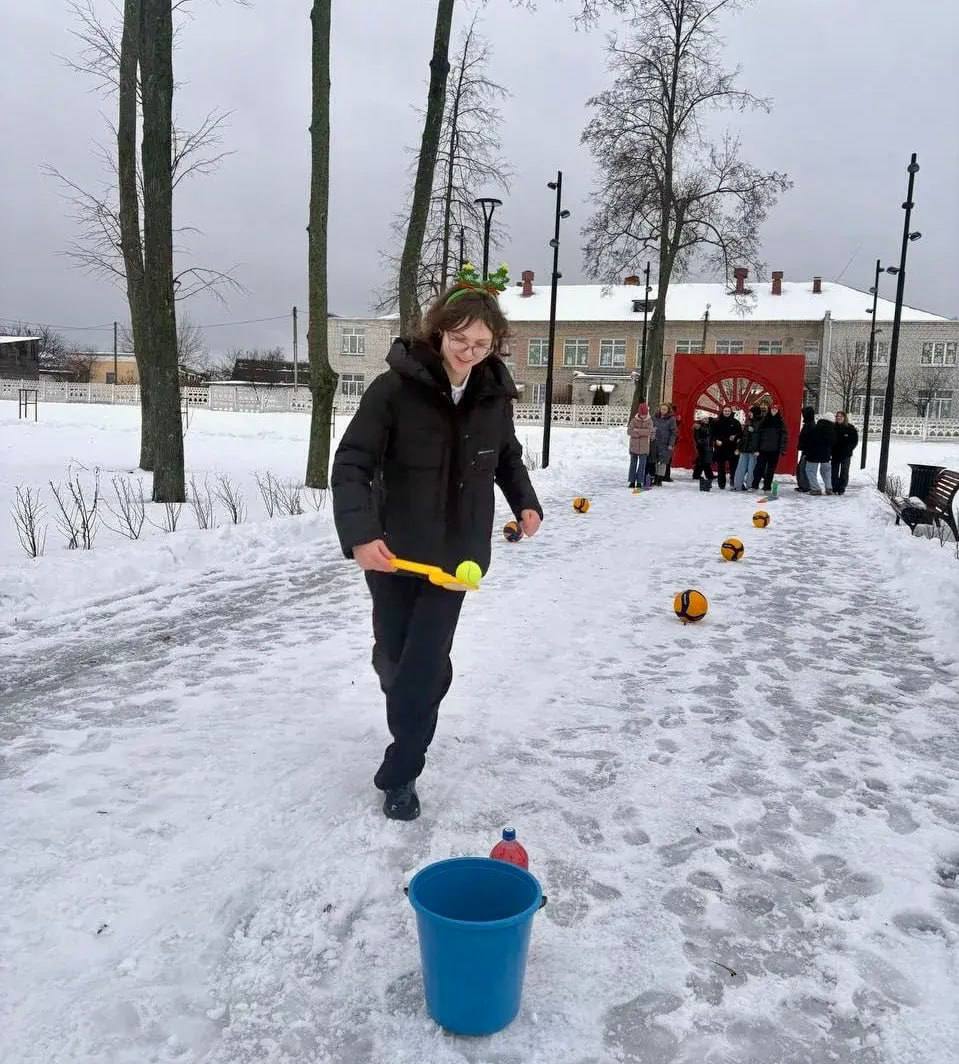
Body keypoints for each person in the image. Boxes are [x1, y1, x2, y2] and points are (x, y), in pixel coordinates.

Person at [331, 275, 543, 821]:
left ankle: (401, 772)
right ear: (438, 332)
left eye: (482, 345)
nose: (469, 354)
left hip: (456, 558)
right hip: (394, 552)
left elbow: (507, 457)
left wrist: (526, 503)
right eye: (460, 341)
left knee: (421, 667)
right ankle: (410, 683)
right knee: (399, 661)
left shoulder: (493, 395)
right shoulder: (394, 389)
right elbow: (352, 462)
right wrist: (360, 535)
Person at [752, 403, 788, 492]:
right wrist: (756, 449)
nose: (774, 410)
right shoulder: (764, 420)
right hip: (762, 449)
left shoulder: (780, 422)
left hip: (774, 450)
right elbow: (757, 435)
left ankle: (767, 486)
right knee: (759, 468)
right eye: (772, 409)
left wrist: (783, 449)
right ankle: (754, 485)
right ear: (770, 409)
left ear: (778, 410)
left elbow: (784, 437)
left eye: (776, 409)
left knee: (771, 470)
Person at [802, 411, 836, 495]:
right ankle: (829, 488)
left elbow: (809, 440)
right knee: (826, 471)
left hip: (813, 454)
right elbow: (833, 442)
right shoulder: (832, 430)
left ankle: (816, 488)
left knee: (810, 470)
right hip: (826, 454)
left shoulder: (816, 427)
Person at [710, 404, 743, 490]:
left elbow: (740, 434)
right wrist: (716, 440)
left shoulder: (736, 422)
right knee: (721, 467)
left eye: (728, 411)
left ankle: (733, 482)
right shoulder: (716, 422)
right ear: (722, 411)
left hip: (732, 447)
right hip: (720, 447)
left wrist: (735, 437)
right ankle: (721, 484)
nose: (727, 412)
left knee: (733, 467)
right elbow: (712, 434)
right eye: (725, 411)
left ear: (731, 412)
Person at [733, 405, 762, 491]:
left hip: (753, 450)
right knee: (740, 468)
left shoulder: (761, 423)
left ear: (755, 413)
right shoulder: (748, 422)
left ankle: (750, 486)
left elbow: (761, 437)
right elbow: (743, 436)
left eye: (751, 412)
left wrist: (754, 431)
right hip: (744, 449)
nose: (749, 413)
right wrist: (738, 447)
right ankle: (737, 486)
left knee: (751, 469)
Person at [831, 411, 859, 496]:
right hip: (835, 454)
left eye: (841, 416)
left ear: (844, 418)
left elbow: (854, 441)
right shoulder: (833, 427)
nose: (839, 418)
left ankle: (841, 488)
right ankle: (835, 487)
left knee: (844, 471)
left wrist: (849, 449)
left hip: (846, 454)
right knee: (834, 472)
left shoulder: (850, 428)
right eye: (837, 416)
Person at [627, 402, 654, 488]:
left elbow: (649, 431)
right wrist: (642, 432)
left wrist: (637, 430)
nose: (643, 416)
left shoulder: (649, 421)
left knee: (642, 465)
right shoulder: (633, 420)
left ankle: (639, 481)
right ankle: (631, 481)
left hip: (644, 447)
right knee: (633, 464)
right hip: (634, 446)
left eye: (645, 414)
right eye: (642, 414)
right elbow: (629, 431)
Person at [651, 403, 677, 485]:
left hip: (665, 443)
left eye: (665, 409)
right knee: (654, 461)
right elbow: (650, 428)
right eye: (662, 409)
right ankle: (654, 477)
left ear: (668, 410)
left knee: (663, 462)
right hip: (655, 442)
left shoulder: (671, 419)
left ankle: (659, 479)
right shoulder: (654, 417)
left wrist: (671, 444)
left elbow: (674, 432)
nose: (663, 411)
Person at [795, 406, 816, 492]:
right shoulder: (808, 424)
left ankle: (805, 486)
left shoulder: (810, 425)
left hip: (807, 451)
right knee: (801, 468)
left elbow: (809, 439)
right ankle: (802, 485)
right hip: (806, 450)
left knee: (802, 468)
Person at [692, 417, 714, 485]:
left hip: (707, 445)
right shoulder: (699, 426)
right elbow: (697, 437)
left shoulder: (710, 425)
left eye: (707, 419)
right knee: (703, 461)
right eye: (704, 419)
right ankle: (707, 475)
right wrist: (702, 442)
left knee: (703, 460)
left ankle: (697, 474)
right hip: (702, 446)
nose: (706, 420)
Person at [663, 403, 681, 482]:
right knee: (667, 459)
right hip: (669, 441)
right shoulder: (672, 418)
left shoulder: (670, 418)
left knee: (666, 459)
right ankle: (665, 476)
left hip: (668, 441)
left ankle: (664, 476)